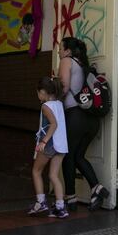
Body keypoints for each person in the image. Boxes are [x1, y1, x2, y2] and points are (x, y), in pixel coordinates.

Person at [58, 37, 109, 211]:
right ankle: (97, 188)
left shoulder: (66, 61)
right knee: (78, 156)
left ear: (67, 51)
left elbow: (64, 88)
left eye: (60, 48)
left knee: (67, 156)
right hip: (91, 119)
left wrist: (51, 100)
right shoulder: (83, 65)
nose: (58, 52)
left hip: (75, 117)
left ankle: (70, 199)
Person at [28, 77, 69, 218]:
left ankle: (41, 203)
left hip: (50, 144)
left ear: (44, 92)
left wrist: (43, 142)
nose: (38, 96)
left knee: (36, 171)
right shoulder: (58, 104)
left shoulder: (46, 106)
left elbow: (53, 124)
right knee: (53, 175)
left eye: (38, 93)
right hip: (61, 145)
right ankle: (60, 207)